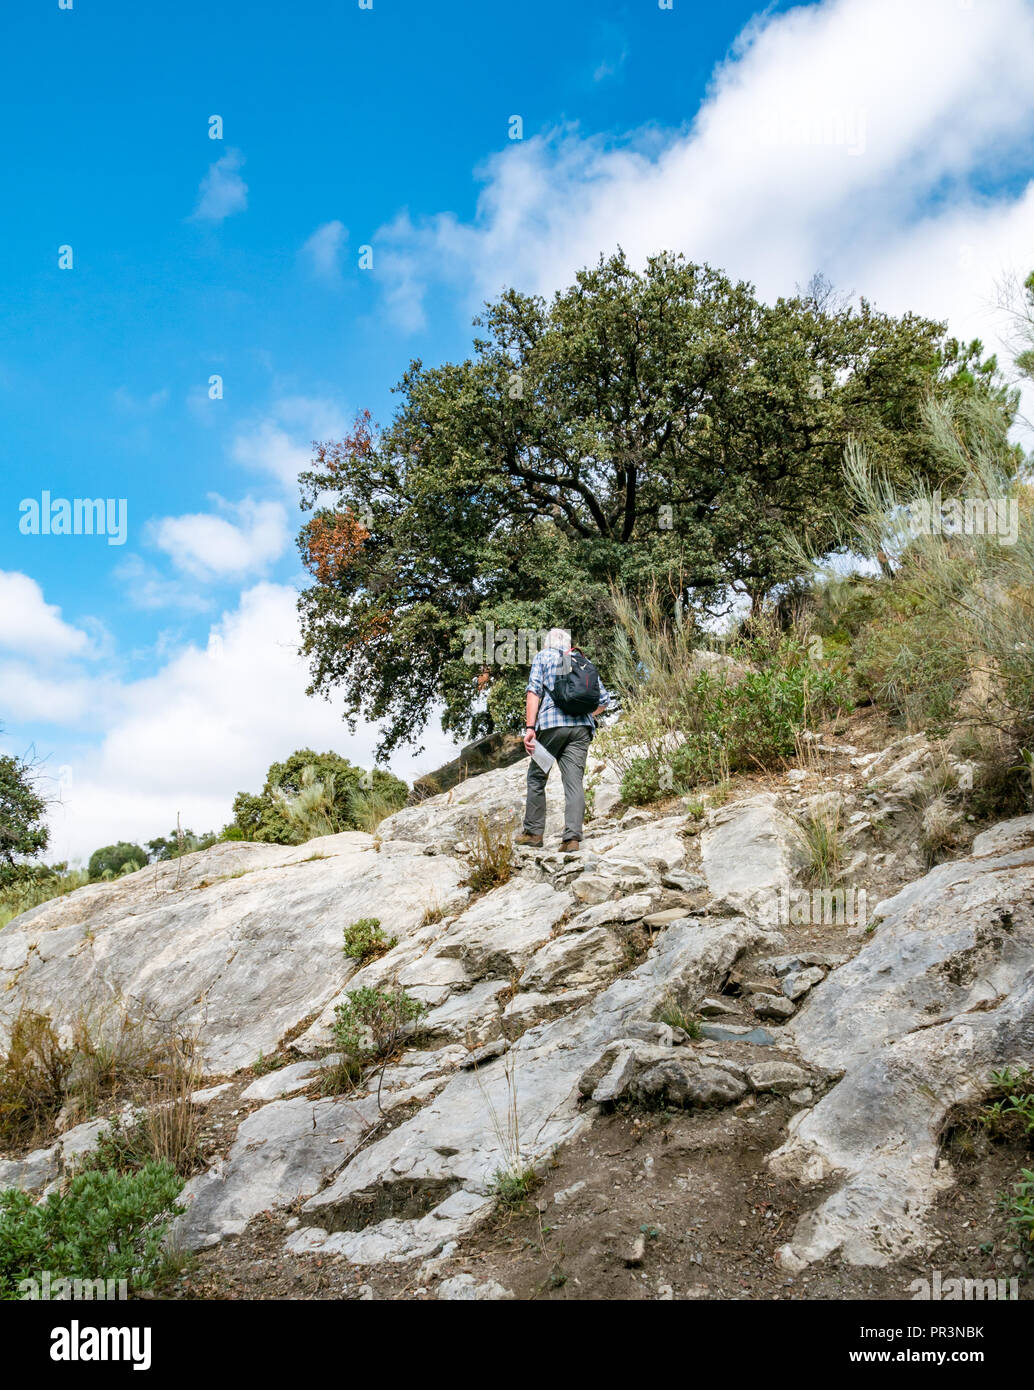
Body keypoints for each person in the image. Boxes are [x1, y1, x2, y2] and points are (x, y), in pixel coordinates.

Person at [516, 628, 612, 852]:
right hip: (581, 730)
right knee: (574, 782)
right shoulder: (581, 661)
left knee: (537, 777)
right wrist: (584, 713)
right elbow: (604, 700)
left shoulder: (544, 656)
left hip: (551, 727)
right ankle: (572, 839)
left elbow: (534, 691)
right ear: (569, 643)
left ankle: (533, 834)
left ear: (548, 643)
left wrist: (530, 728)